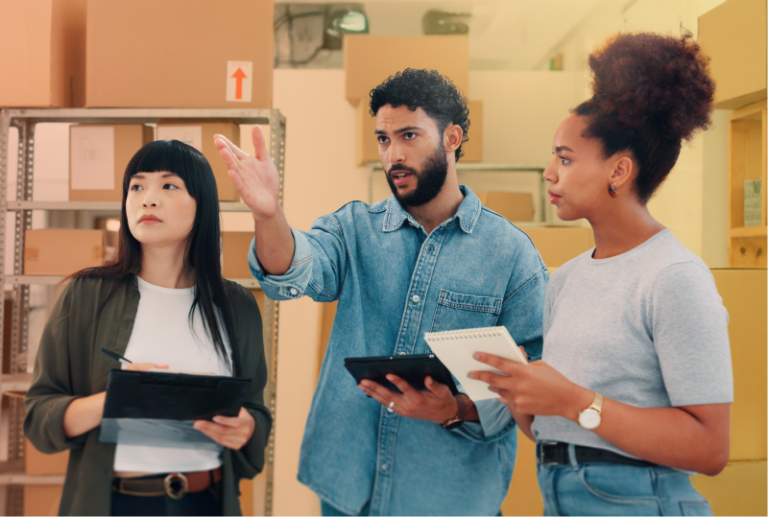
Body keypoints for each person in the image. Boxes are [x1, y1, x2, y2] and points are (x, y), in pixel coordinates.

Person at [213, 68, 547, 517]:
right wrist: (269, 214)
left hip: (451, 499)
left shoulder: (511, 255)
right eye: (384, 139)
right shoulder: (352, 229)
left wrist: (456, 408)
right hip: (348, 492)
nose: (394, 155)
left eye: (409, 135)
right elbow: (293, 272)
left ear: (451, 137)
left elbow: (534, 382)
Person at [470, 33, 732, 517]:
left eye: (565, 158)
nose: (549, 173)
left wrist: (571, 399)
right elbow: (558, 428)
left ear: (619, 171)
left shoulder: (674, 277)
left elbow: (710, 447)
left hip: (639, 501)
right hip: (560, 492)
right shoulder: (565, 280)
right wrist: (520, 394)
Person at [24, 140, 272, 517]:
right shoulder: (85, 295)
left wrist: (247, 427)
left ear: (201, 204)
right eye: (137, 186)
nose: (147, 199)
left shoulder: (237, 306)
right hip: (116, 504)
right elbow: (39, 417)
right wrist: (112, 400)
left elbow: (255, 412)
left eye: (169, 186)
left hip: (207, 503)